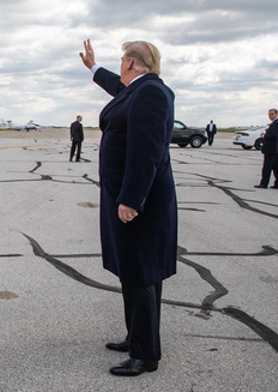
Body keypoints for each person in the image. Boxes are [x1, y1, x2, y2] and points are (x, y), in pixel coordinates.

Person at [79, 39, 178, 377]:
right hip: (128, 195)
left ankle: (145, 355)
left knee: (138, 272)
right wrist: (92, 67)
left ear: (132, 63)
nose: (119, 66)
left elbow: (146, 151)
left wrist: (131, 200)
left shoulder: (149, 93)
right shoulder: (137, 90)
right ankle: (138, 336)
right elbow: (115, 87)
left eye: (121, 60)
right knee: (137, 270)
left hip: (138, 201)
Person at [254, 108, 278, 189]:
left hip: (272, 149)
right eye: (269, 114)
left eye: (272, 114)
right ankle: (277, 184)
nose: (270, 116)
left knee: (267, 167)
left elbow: (274, 136)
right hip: (275, 149)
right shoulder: (275, 123)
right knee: (276, 167)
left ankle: (264, 183)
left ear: (276, 114)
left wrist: (265, 135)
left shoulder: (277, 123)